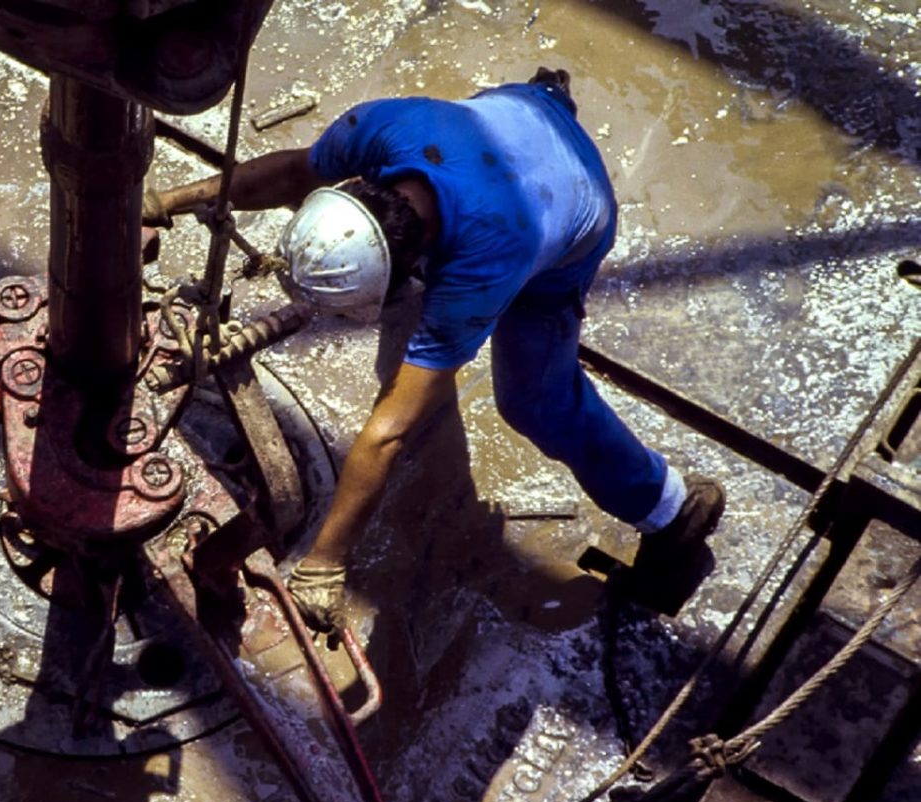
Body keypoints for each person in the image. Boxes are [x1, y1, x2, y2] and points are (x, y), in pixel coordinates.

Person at [144, 68, 725, 630]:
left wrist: (326, 561)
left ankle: (670, 508)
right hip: (516, 114)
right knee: (425, 349)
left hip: (571, 199)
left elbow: (390, 430)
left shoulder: (482, 269)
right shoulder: (376, 130)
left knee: (532, 399)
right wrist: (169, 201)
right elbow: (295, 173)